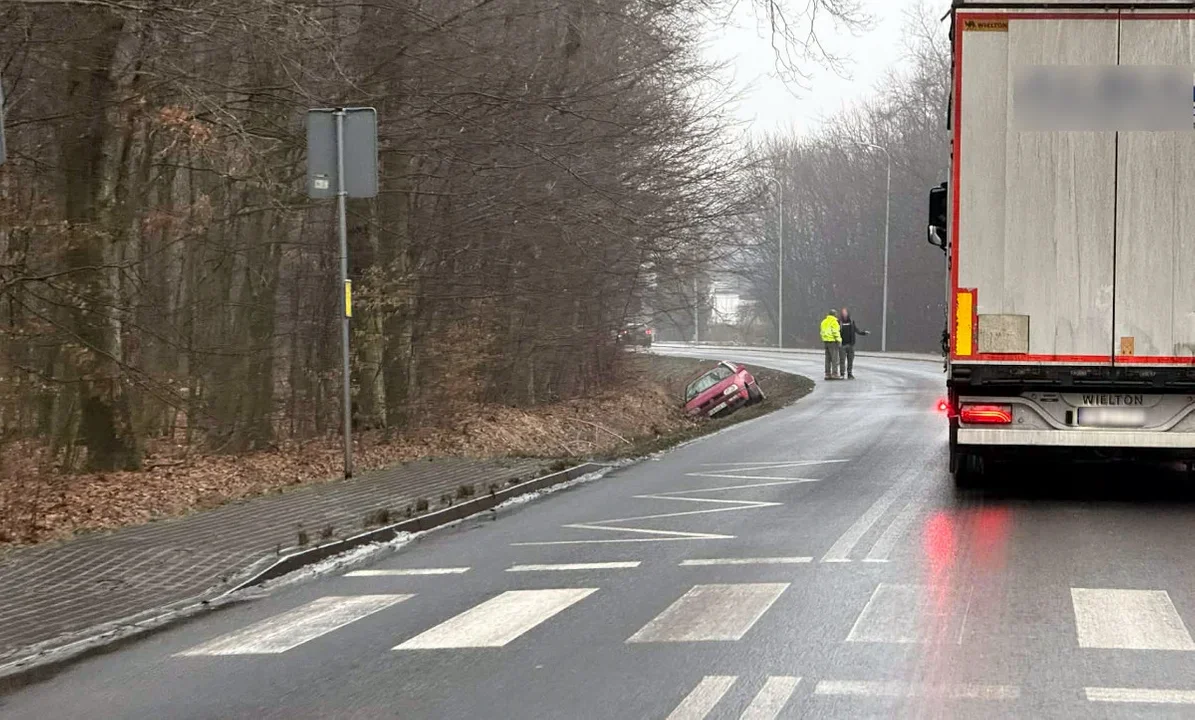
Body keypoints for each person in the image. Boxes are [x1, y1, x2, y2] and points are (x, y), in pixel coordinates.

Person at [838, 307, 870, 379]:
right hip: (842, 344)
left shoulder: (851, 322)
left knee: (850, 360)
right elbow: (836, 331)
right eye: (843, 313)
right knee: (842, 360)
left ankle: (849, 374)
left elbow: (856, 330)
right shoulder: (839, 322)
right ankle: (842, 374)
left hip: (850, 344)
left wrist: (864, 333)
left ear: (847, 313)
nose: (844, 314)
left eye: (845, 312)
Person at [819, 309, 842, 380]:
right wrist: (839, 340)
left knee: (827, 359)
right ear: (834, 314)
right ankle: (834, 374)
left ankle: (827, 374)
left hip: (826, 342)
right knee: (835, 359)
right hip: (833, 342)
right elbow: (835, 332)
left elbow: (822, 332)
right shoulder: (834, 321)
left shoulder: (824, 322)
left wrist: (824, 338)